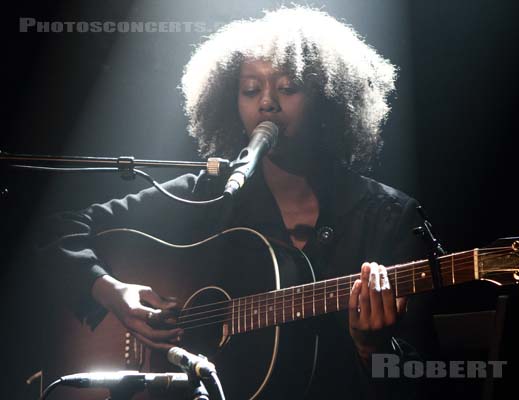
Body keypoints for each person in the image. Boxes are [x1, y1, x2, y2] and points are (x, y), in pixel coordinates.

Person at [40, 6, 434, 399]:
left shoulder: (389, 218)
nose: (266, 103)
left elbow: (425, 375)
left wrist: (374, 348)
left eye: (287, 87)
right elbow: (57, 230)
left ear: (329, 99)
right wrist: (111, 292)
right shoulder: (206, 195)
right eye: (251, 90)